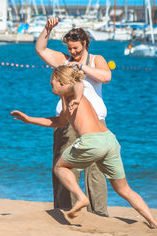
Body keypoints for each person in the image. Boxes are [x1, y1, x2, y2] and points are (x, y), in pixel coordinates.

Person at [11, 66, 157, 229]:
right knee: (124, 189)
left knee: (60, 168)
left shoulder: (71, 92)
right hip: (109, 140)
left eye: (52, 80)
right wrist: (28, 119)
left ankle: (81, 198)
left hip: (92, 141)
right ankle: (155, 223)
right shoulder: (65, 99)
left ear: (61, 82)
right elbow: (58, 122)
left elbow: (78, 85)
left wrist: (76, 98)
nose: (50, 83)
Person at [35, 17, 111, 216]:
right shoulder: (64, 61)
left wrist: (82, 67)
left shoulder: (96, 59)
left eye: (76, 48)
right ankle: (64, 209)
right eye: (70, 48)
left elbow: (106, 77)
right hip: (67, 122)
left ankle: (99, 213)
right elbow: (41, 49)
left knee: (96, 169)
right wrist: (47, 29)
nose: (73, 52)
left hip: (95, 123)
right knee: (64, 165)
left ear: (85, 43)